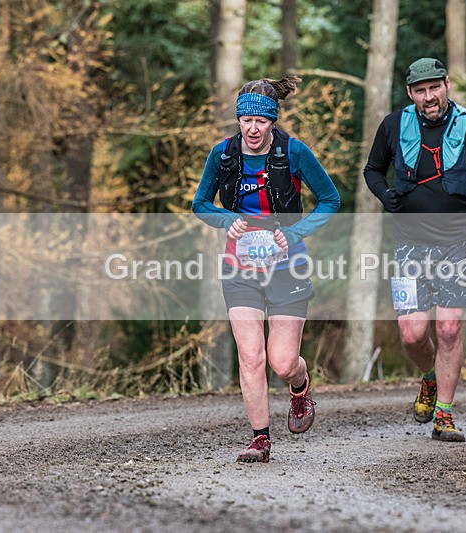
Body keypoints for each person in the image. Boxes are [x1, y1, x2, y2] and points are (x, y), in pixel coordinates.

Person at [192, 75, 340, 463]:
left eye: (260, 122)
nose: (252, 128)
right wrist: (227, 221)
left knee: (281, 362)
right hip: (239, 266)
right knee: (252, 356)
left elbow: (330, 200)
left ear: (272, 121)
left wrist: (294, 233)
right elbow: (200, 204)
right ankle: (260, 439)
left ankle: (300, 385)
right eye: (245, 120)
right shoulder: (223, 154)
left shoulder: (294, 152)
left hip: (287, 266)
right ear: (238, 119)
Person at [364, 58, 466, 442]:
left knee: (448, 328)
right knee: (412, 334)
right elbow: (372, 170)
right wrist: (385, 196)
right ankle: (430, 378)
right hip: (410, 244)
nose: (429, 97)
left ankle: (443, 413)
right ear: (410, 93)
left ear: (446, 85)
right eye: (420, 91)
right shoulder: (394, 126)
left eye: (435, 88)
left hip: (459, 245)